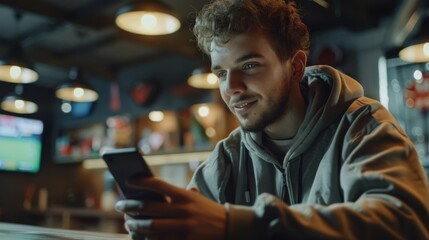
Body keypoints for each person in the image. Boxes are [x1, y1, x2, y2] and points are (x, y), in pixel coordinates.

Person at [115, 0, 429, 239]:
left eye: (249, 66)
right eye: (221, 73)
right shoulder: (228, 156)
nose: (232, 88)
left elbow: (402, 222)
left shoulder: (362, 125)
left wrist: (235, 224)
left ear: (295, 66)